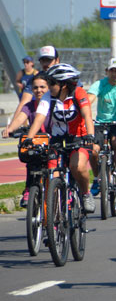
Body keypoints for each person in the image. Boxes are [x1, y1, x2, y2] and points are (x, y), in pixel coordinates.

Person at [26, 64, 96, 213]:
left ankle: (85, 194)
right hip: (57, 139)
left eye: (51, 83)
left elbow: (87, 115)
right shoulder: (48, 97)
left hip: (80, 137)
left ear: (63, 85)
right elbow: (39, 117)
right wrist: (29, 138)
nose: (48, 86)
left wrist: (90, 135)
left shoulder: (79, 93)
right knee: (53, 175)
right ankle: (54, 216)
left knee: (77, 167)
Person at [87, 58, 116, 193]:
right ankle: (96, 179)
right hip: (101, 122)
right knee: (94, 150)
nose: (114, 73)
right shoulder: (100, 84)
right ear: (106, 71)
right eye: (111, 70)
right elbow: (90, 98)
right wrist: (83, 111)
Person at [3, 72, 50, 207]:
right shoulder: (29, 106)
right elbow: (21, 118)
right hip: (36, 142)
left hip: (52, 142)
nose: (39, 90)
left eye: (42, 87)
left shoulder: (53, 104)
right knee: (31, 162)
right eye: (35, 88)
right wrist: (11, 129)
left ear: (48, 88)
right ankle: (29, 189)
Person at [11, 46, 60, 122]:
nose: (45, 64)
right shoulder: (35, 79)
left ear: (57, 60)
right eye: (43, 60)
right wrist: (11, 127)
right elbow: (24, 101)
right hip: (41, 119)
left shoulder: (67, 76)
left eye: (49, 60)